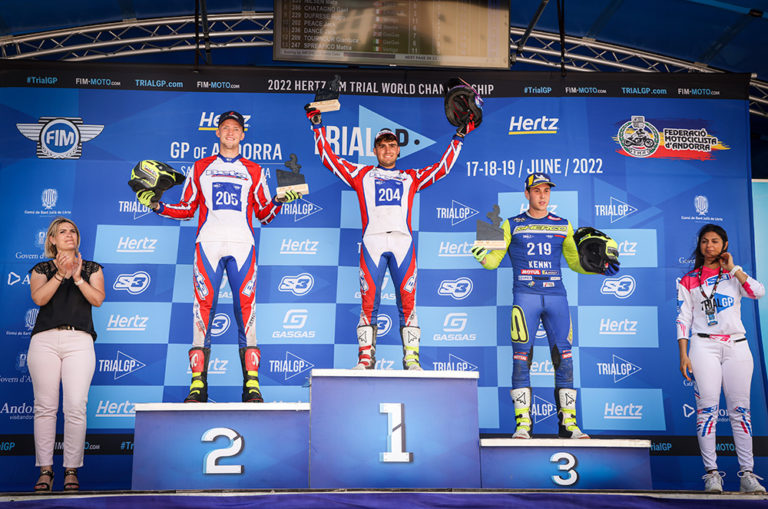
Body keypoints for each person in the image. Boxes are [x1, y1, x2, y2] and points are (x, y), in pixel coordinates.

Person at [137, 110, 300, 403]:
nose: (230, 132)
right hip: (208, 244)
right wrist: (158, 207)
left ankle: (252, 385)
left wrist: (278, 200)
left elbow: (264, 214)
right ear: (217, 132)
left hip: (242, 245)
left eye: (235, 128)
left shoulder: (254, 170)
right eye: (225, 127)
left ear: (243, 135)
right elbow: (187, 208)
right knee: (202, 310)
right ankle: (197, 386)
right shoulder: (200, 167)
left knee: (247, 311)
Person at [305, 106, 474, 370]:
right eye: (382, 145)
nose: (387, 149)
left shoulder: (410, 178)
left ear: (398, 151)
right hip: (372, 243)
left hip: (402, 244)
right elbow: (330, 159)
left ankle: (412, 359)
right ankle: (365, 359)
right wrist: (317, 126)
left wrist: (459, 137)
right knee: (368, 303)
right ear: (374, 151)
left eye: (392, 145)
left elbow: (442, 168)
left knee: (408, 302)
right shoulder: (361, 174)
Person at [470, 173, 619, 439]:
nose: (542, 195)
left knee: (565, 360)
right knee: (520, 360)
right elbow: (492, 262)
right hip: (525, 296)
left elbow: (575, 263)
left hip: (556, 297)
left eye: (546, 190)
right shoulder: (511, 224)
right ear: (526, 194)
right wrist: (481, 254)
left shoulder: (563, 224)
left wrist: (598, 268)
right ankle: (523, 425)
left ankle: (568, 424)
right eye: (536, 190)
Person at [676, 224, 766, 493]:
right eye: (705, 241)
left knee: (741, 411)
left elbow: (758, 292)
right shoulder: (688, 279)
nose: (709, 246)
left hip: (737, 346)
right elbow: (683, 319)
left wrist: (734, 269)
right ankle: (712, 474)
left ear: (724, 245)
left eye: (715, 241)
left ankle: (747, 474)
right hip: (704, 346)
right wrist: (683, 354)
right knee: (707, 411)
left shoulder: (733, 275)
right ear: (700, 245)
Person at [28, 217, 105, 491]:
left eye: (73, 231)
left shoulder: (92, 268)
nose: (69, 234)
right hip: (45, 341)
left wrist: (78, 277)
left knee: (75, 407)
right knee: (45, 407)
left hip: (80, 340)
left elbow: (97, 299)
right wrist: (60, 274)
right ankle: (45, 471)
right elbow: (39, 298)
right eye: (62, 231)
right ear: (52, 239)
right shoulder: (42, 269)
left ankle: (71, 470)